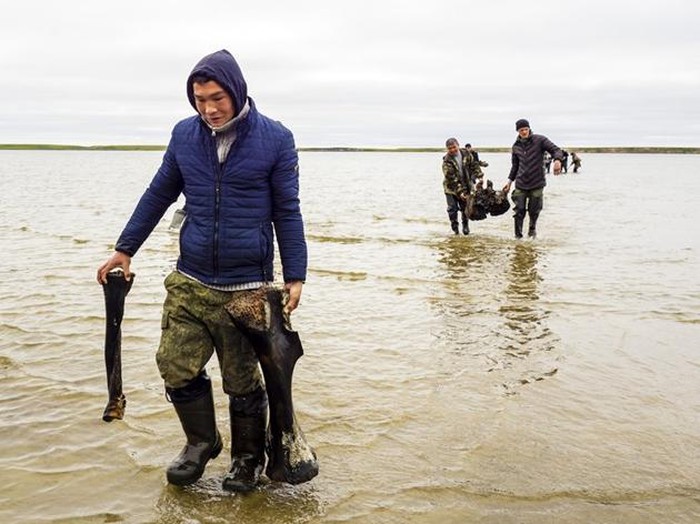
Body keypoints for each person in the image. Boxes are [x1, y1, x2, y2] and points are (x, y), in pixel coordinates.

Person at [96, 49, 307, 492]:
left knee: (242, 379)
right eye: (199, 99)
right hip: (190, 278)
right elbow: (159, 194)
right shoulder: (184, 135)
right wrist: (124, 248)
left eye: (217, 98)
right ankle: (201, 443)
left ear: (237, 91)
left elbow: (288, 210)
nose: (209, 109)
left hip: (247, 287)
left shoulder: (276, 138)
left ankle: (247, 460)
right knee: (175, 364)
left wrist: (295, 274)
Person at [503, 119, 563, 239]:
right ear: (517, 131)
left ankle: (532, 229)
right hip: (521, 182)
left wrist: (557, 160)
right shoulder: (516, 146)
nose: (524, 132)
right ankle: (518, 236)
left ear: (529, 129)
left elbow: (556, 150)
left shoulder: (540, 140)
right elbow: (515, 166)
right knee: (519, 210)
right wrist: (509, 182)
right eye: (521, 130)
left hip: (537, 182)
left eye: (526, 129)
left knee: (534, 210)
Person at [442, 138, 483, 235]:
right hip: (451, 188)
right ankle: (455, 229)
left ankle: (465, 225)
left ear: (458, 145)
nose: (452, 150)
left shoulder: (466, 154)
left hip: (466, 184)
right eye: (449, 148)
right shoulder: (446, 161)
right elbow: (452, 179)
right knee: (452, 209)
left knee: (465, 208)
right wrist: (460, 192)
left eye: (454, 147)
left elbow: (474, 165)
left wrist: (480, 177)